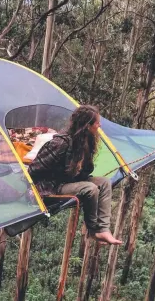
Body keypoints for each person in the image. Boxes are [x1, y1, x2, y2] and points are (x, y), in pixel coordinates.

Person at [27, 105, 122, 245]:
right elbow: (33, 169)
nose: (100, 125)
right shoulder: (60, 143)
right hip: (52, 187)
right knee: (90, 188)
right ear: (87, 125)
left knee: (104, 182)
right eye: (97, 122)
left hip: (69, 181)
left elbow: (85, 170)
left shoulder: (86, 141)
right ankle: (93, 231)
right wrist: (33, 191)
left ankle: (103, 229)